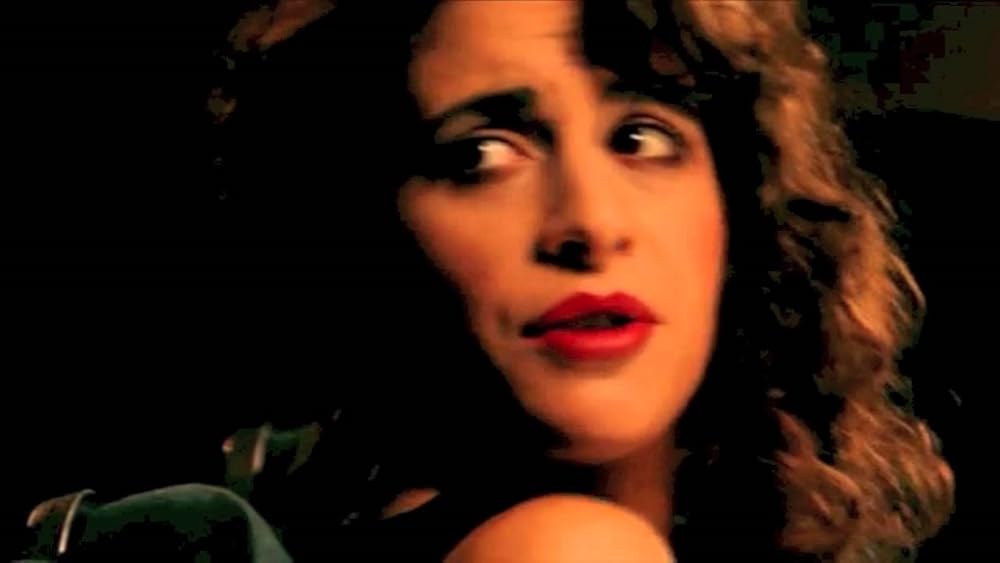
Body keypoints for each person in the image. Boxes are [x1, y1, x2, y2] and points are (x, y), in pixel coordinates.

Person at [20, 1, 955, 562]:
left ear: (737, 213)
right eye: (482, 153)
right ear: (369, 227)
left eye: (641, 136)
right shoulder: (569, 549)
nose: (590, 219)